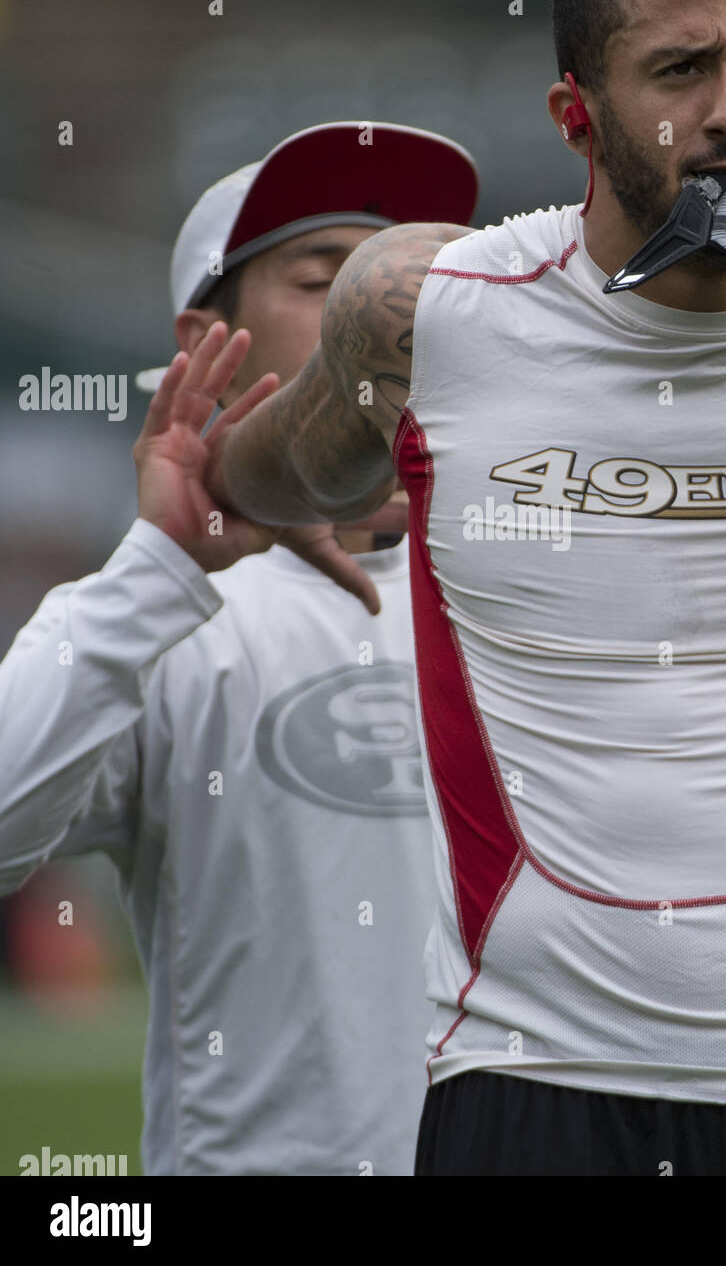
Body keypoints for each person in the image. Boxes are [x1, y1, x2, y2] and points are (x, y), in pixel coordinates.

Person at [199, 0, 726, 1176]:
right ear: (574, 115)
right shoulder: (428, 313)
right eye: (678, 72)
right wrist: (217, 479)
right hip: (539, 1087)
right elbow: (286, 467)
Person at [0, 122, 478, 1175]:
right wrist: (160, 566)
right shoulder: (162, 617)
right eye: (329, 282)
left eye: (407, 284)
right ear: (203, 342)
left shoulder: (538, 585)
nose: (383, 321)